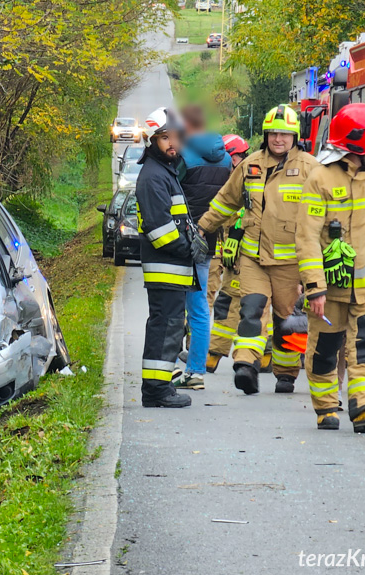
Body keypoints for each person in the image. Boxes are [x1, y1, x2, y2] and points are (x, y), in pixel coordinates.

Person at [198, 105, 319, 394]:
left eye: (285, 134)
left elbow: (323, 214)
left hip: (291, 263)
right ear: (266, 135)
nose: (279, 139)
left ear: (295, 137)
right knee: (251, 309)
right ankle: (245, 366)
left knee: (285, 319)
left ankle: (286, 373)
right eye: (274, 134)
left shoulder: (311, 168)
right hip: (253, 258)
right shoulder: (250, 164)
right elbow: (226, 200)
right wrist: (203, 228)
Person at [296, 103, 365, 433]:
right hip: (331, 288)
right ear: (357, 140)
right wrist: (314, 287)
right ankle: (326, 406)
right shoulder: (320, 178)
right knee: (325, 351)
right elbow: (308, 237)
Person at [136, 107, 195, 408]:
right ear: (152, 140)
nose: (172, 143)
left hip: (173, 269)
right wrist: (189, 247)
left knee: (170, 327)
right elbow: (160, 230)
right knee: (164, 327)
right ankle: (156, 391)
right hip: (166, 268)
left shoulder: (165, 171)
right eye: (165, 138)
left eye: (176, 137)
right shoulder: (153, 177)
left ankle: (160, 387)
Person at [174, 105, 232, 389]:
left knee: (172, 305)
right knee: (199, 309)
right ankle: (196, 371)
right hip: (208, 241)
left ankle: (168, 367)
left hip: (181, 239)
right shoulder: (227, 159)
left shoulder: (183, 155)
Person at [207, 135, 250, 373]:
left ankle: (214, 355)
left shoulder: (246, 179)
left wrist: (234, 237)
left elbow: (242, 215)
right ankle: (261, 356)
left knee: (231, 300)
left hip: (245, 251)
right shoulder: (236, 178)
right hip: (237, 250)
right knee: (246, 304)